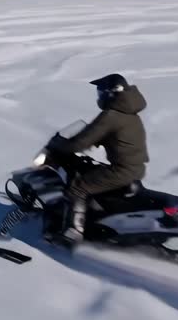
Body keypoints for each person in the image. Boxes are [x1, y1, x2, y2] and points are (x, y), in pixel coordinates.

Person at [48, 73, 149, 243]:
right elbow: (112, 137)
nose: (99, 96)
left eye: (101, 92)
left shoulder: (111, 116)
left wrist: (60, 145)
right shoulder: (131, 115)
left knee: (78, 187)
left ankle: (72, 233)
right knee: (90, 173)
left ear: (111, 93)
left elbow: (81, 142)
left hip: (121, 171)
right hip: (135, 169)